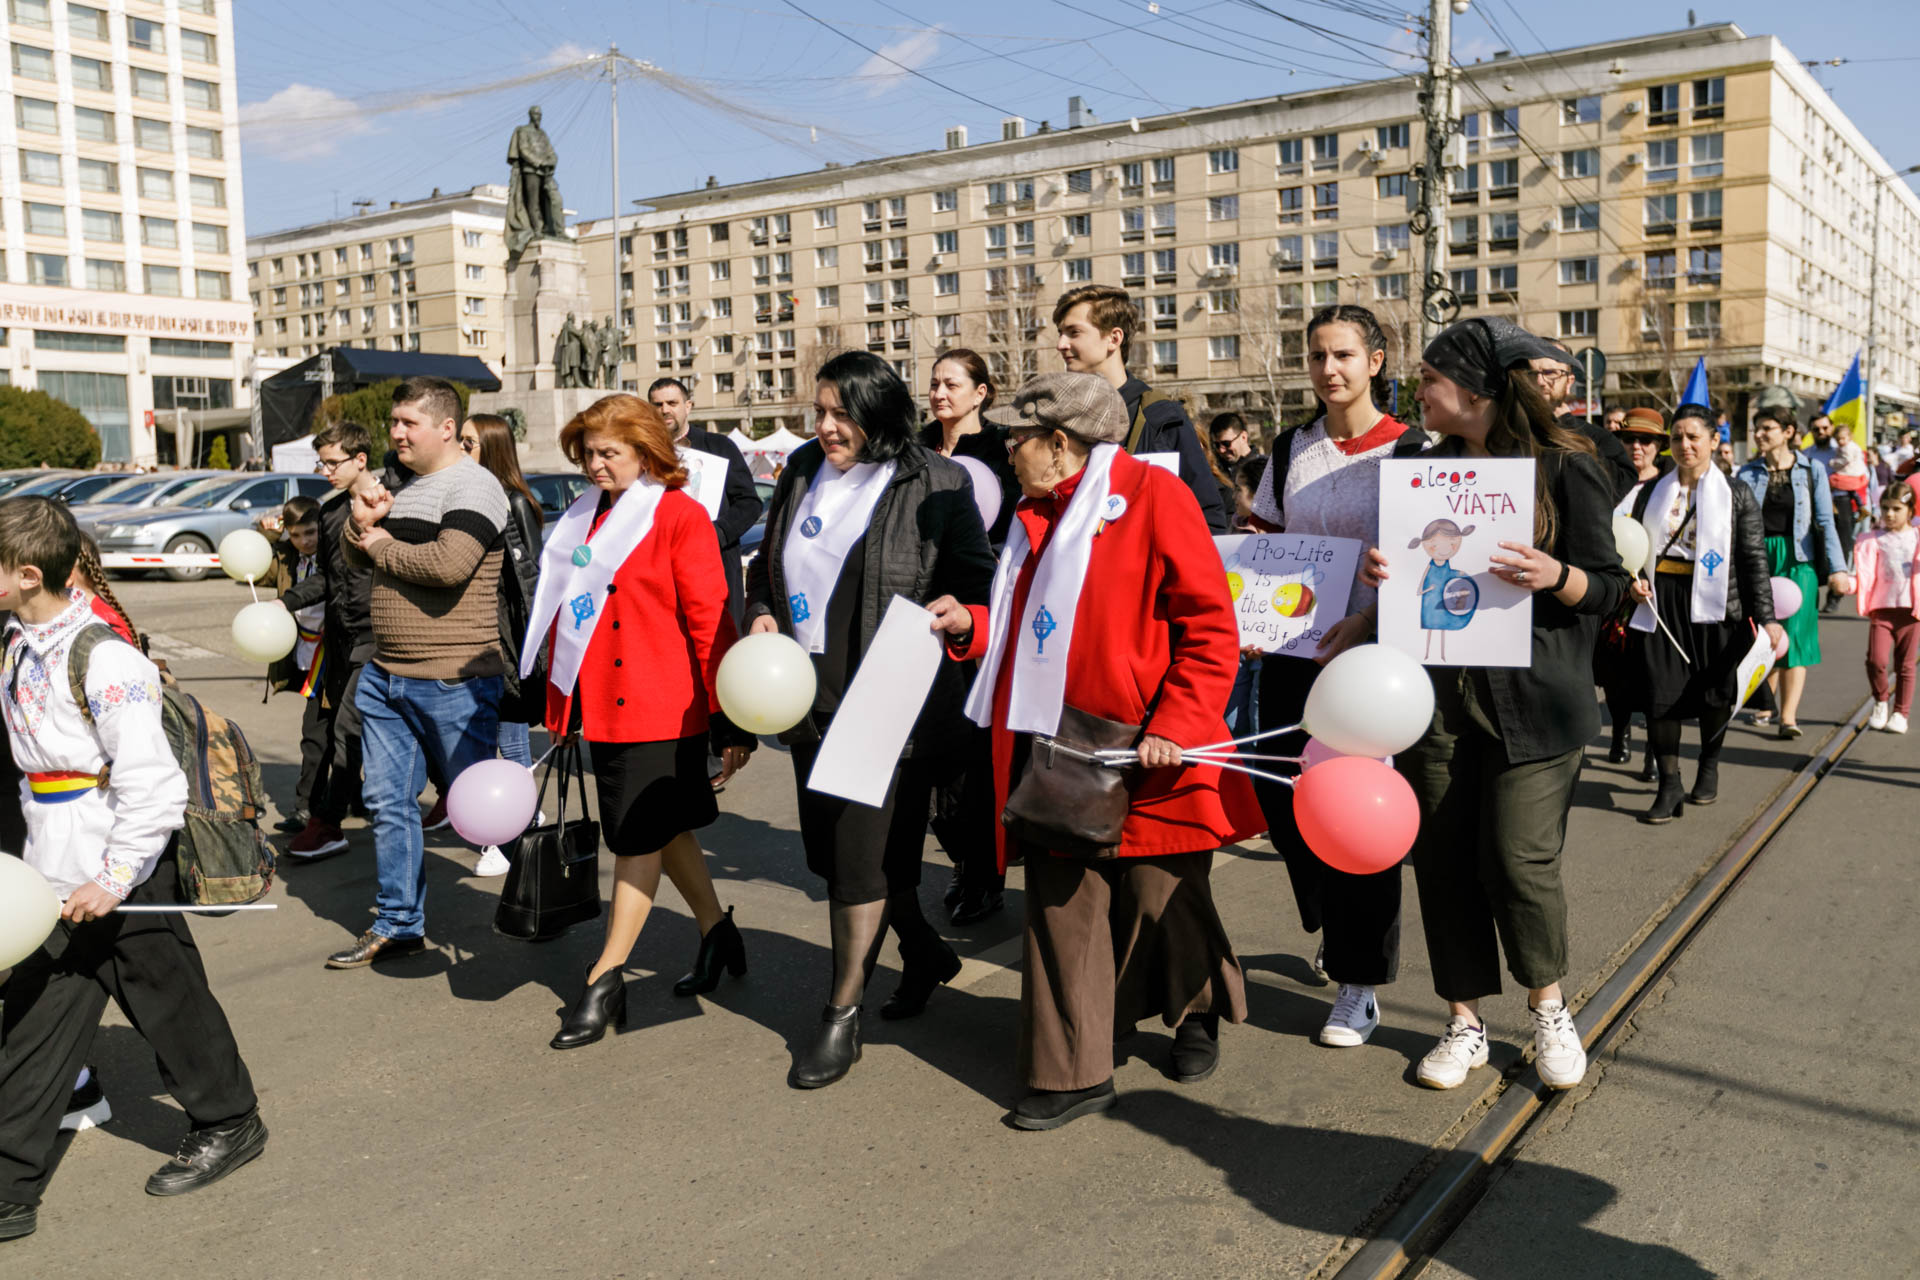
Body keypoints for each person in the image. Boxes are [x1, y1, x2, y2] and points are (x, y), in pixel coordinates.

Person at [927, 372, 1263, 1130]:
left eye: (1016, 436)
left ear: (1060, 443)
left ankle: (1196, 1007)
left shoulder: (1153, 495)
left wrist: (1177, 721)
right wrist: (972, 629)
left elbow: (1211, 628)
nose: (1005, 448)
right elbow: (1026, 622)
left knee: (1159, 896)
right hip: (1054, 747)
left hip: (1147, 748)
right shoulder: (1029, 514)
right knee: (1061, 908)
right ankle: (1073, 1069)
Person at [1365, 318, 1630, 1095]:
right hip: (1436, 700)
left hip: (1537, 703)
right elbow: (1407, 579)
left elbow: (1608, 587)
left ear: (1476, 389)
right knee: (1443, 861)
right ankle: (1464, 1022)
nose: (1418, 389)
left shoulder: (1566, 465)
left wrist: (1558, 575)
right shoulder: (1419, 468)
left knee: (1517, 857)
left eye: (1431, 376)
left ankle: (1548, 1006)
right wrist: (1387, 572)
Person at [0, 498, 266, 1242]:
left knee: (168, 1000)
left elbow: (154, 786)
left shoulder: (104, 658)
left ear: (26, 575)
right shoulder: (20, 639)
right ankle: (9, 1184)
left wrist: (112, 878)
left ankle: (230, 1120)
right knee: (36, 1018)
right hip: (54, 869)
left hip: (121, 865)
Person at [744, 351, 994, 1089]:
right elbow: (766, 566)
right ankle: (922, 951)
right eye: (817, 412)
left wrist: (964, 616)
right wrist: (759, 612)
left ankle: (839, 1015)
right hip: (804, 697)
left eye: (839, 413)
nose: (823, 427)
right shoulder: (798, 470)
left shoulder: (935, 479)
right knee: (835, 858)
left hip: (889, 699)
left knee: (857, 863)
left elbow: (978, 584)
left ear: (879, 412)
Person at [529, 395, 755, 1049]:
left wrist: (730, 717)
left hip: (663, 704)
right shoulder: (584, 517)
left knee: (633, 837)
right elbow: (567, 620)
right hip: (600, 700)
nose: (595, 466)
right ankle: (717, 932)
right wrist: (559, 702)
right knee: (663, 827)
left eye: (610, 454)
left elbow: (711, 619)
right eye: (588, 453)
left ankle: (605, 977)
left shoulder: (678, 515)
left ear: (648, 453)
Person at [1246, 305, 1428, 1049]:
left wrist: (1371, 617)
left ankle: (1360, 983)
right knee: (1282, 800)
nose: (1329, 369)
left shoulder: (1412, 450)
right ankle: (1332, 921)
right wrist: (1249, 612)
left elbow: (1428, 558)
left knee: (1355, 815)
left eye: (1344, 354)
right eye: (1318, 355)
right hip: (1290, 651)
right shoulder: (1292, 445)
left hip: (1368, 666)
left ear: (1376, 362)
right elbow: (1263, 533)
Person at [328, 377, 510, 969]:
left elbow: (449, 565)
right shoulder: (407, 487)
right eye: (394, 420)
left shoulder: (475, 487)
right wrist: (364, 526)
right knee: (387, 802)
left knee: (485, 810)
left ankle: (542, 894)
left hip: (454, 676)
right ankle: (398, 923)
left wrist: (377, 542)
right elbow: (369, 558)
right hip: (388, 674)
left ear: (447, 428)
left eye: (408, 422)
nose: (395, 432)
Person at [1628, 409, 1782, 823]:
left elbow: (1753, 560)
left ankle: (1709, 765)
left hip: (1719, 605)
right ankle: (1669, 783)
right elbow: (1630, 547)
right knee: (1661, 696)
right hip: (1663, 602)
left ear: (1714, 441)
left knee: (1716, 693)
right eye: (1677, 437)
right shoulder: (1651, 492)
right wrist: (1632, 581)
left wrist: (1766, 619)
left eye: (1694, 437)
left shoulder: (1737, 494)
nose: (1685, 445)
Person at [920, 349, 1018, 925]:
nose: (939, 394)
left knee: (975, 753)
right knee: (934, 755)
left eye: (951, 384)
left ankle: (982, 872)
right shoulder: (916, 447)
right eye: (933, 384)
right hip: (921, 613)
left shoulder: (1005, 449)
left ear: (980, 392)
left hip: (985, 615)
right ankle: (963, 859)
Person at [1052, 284, 1227, 532]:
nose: (1060, 344)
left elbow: (1208, 516)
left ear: (1114, 338)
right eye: (1061, 333)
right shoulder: (1056, 419)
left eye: (1073, 332)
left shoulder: (1162, 416)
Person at [282, 421, 380, 861]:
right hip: (341, 640)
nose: (325, 470)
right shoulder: (329, 511)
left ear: (360, 459)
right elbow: (325, 576)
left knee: (348, 728)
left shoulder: (392, 500)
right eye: (320, 462)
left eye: (332, 462)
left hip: (381, 636)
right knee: (349, 728)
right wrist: (285, 602)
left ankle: (327, 823)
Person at [459, 413, 544, 877]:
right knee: (485, 739)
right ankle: (510, 822)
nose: (461, 448)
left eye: (469, 442)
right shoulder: (468, 497)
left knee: (511, 743)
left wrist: (530, 653)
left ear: (490, 447)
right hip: (473, 639)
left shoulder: (514, 502)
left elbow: (531, 584)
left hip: (506, 644)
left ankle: (514, 832)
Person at [1735, 407, 1853, 739]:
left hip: (1800, 560)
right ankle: (1765, 701)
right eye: (1756, 428)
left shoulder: (1811, 469)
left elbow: (1826, 523)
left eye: (1767, 428)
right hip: (1759, 559)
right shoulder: (1747, 473)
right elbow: (1737, 523)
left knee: (1797, 637)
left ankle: (1788, 718)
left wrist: (1838, 569)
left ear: (1788, 432)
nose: (1759, 434)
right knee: (1762, 635)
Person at [648, 377, 763, 628]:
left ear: (687, 406)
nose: (664, 410)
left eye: (672, 403)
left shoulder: (719, 446)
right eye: (657, 404)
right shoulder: (643, 454)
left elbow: (749, 503)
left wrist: (717, 532)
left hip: (715, 565)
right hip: (661, 571)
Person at [1597, 408, 1671, 772]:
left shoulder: (1668, 488)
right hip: (1613, 591)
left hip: (1654, 592)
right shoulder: (1605, 481)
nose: (1637, 447)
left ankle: (1655, 751)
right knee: (1613, 673)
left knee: (1653, 674)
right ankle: (1620, 731)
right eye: (1629, 439)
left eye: (1646, 440)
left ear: (1659, 446)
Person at [259, 497, 330, 829]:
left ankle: (307, 809)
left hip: (333, 655)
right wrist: (270, 539)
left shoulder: (334, 557)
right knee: (326, 733)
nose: (306, 541)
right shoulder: (287, 556)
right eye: (297, 535)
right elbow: (257, 574)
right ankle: (340, 799)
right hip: (303, 653)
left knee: (317, 734)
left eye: (311, 533)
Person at [1855, 484, 1920, 733]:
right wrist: (1846, 582)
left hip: (1910, 611)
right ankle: (1881, 701)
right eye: (1885, 508)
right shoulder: (1872, 540)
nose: (1890, 514)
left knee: (1905, 665)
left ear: (1910, 510)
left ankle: (1901, 713)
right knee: (1876, 660)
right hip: (1882, 609)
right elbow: (1863, 574)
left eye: (1897, 509)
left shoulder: (1916, 537)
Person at [1824, 423, 1870, 607]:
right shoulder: (1814, 451)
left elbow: (1859, 478)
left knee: (1842, 544)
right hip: (1831, 498)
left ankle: (1834, 595)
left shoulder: (1848, 451)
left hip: (1842, 500)